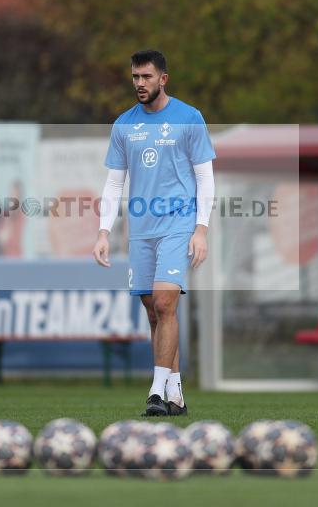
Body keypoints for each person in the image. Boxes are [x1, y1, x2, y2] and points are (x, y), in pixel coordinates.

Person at [92, 50, 215, 416]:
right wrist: (102, 232)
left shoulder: (189, 118)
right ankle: (175, 392)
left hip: (178, 224)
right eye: (135, 77)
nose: (139, 84)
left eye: (146, 77)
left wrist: (201, 230)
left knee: (165, 304)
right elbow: (114, 184)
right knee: (153, 312)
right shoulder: (123, 125)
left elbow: (205, 178)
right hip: (142, 229)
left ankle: (156, 391)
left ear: (163, 79)